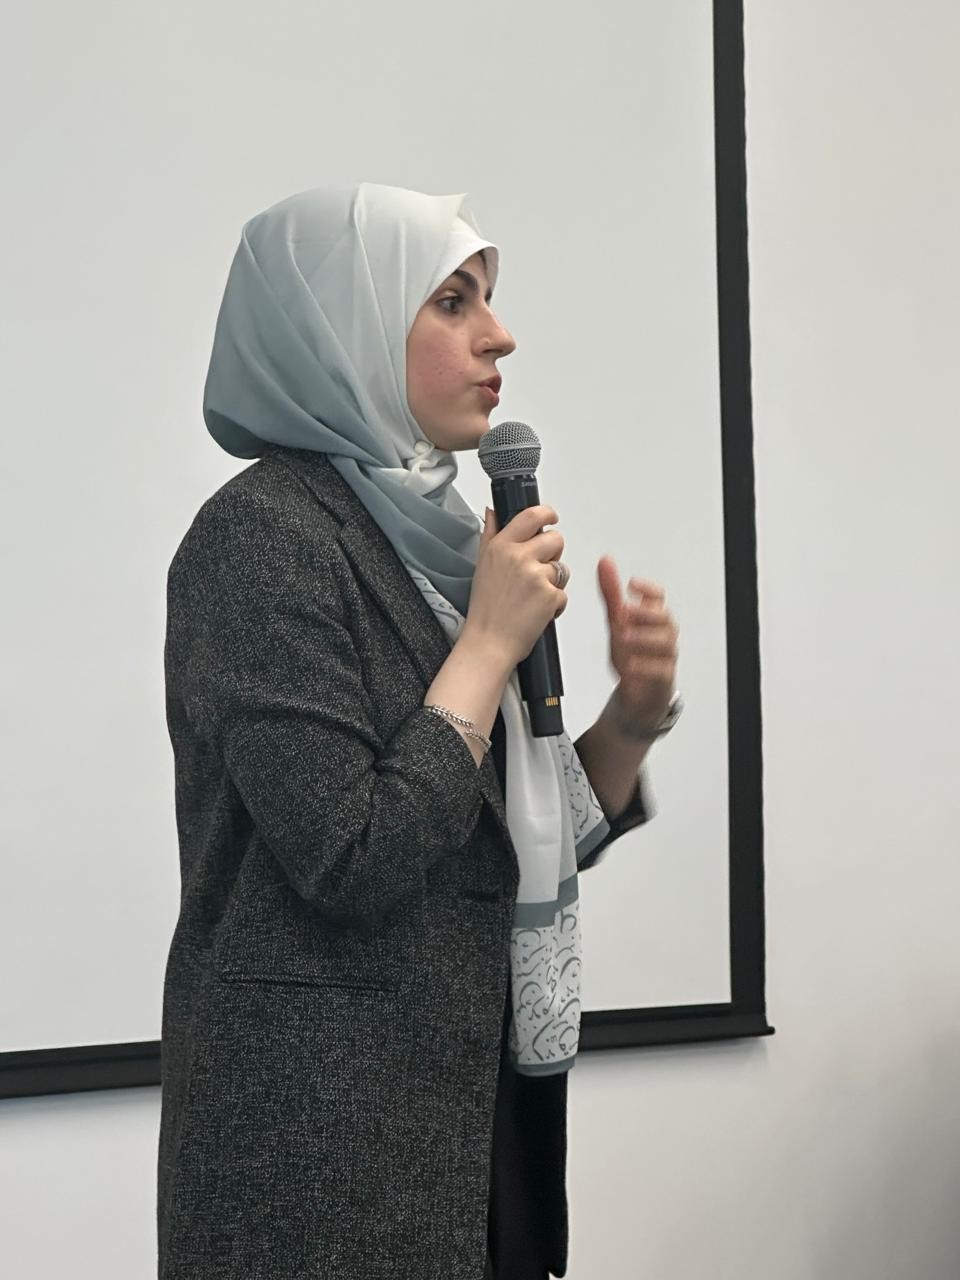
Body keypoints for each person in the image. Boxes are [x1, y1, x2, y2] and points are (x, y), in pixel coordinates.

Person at [158, 181, 674, 1279]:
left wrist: (628, 723)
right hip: (321, 1165)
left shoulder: (443, 541)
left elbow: (490, 840)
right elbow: (353, 851)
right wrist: (486, 644)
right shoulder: (259, 539)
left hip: (481, 1131)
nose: (500, 334)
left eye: (488, 297)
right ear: (340, 327)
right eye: (451, 300)